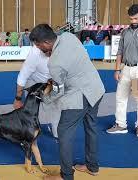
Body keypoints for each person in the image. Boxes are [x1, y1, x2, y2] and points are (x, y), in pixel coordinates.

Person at [29, 24, 105, 180]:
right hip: (96, 88)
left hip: (79, 96)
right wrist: (59, 78)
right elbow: (72, 63)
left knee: (63, 132)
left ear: (45, 43)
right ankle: (92, 167)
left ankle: (66, 176)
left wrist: (45, 99)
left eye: (37, 46)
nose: (38, 49)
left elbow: (58, 90)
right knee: (91, 127)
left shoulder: (54, 63)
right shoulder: (68, 37)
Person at [106, 4, 138, 138]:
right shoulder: (125, 32)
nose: (133, 21)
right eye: (131, 19)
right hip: (126, 69)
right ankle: (120, 124)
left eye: (135, 18)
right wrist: (117, 70)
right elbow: (119, 52)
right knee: (120, 98)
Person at [13, 45, 60, 138]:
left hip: (50, 82)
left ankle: (56, 131)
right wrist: (18, 98)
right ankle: (27, 129)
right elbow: (22, 76)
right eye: (46, 51)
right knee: (30, 107)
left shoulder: (61, 49)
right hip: (33, 81)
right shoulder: (34, 53)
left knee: (55, 106)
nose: (48, 53)